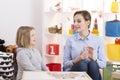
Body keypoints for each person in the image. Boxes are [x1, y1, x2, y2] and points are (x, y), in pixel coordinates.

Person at [63, 10, 107, 80]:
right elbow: (65, 64)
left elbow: (103, 64)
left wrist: (94, 58)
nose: (75, 24)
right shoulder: (70, 40)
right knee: (81, 64)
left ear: (88, 22)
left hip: (93, 72)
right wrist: (76, 60)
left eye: (79, 21)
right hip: (74, 74)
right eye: (74, 21)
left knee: (92, 64)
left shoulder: (98, 40)